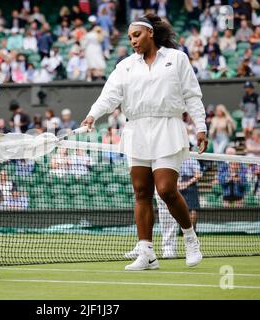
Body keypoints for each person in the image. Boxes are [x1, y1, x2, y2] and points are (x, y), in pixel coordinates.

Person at [81, 14, 207, 270]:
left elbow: (192, 96)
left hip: (168, 127)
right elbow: (109, 94)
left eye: (136, 35)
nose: (133, 41)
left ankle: (191, 239)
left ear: (150, 33)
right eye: (129, 38)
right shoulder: (126, 65)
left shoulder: (176, 58)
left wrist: (201, 127)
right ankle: (147, 252)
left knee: (166, 190)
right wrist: (93, 115)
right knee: (141, 192)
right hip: (136, 129)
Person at [178, 146, 202, 233]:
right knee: (180, 209)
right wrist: (178, 184)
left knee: (192, 209)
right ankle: (183, 230)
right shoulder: (177, 159)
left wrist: (187, 183)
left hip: (191, 186)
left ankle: (192, 230)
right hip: (179, 185)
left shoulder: (192, 159)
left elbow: (198, 175)